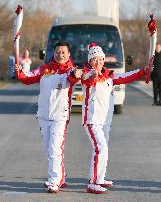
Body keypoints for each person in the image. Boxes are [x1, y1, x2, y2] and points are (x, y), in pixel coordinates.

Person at [81, 43, 149, 194]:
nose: (97, 62)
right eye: (94, 60)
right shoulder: (87, 75)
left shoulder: (109, 76)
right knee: (101, 148)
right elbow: (87, 77)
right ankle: (92, 183)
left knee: (103, 149)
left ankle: (100, 178)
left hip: (105, 121)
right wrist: (92, 74)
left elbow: (126, 77)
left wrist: (143, 71)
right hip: (92, 120)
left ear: (104, 60)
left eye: (100, 59)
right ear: (90, 61)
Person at [15, 41, 81, 194]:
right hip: (44, 115)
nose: (60, 55)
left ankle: (54, 181)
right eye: (58, 52)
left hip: (60, 116)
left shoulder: (70, 70)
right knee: (49, 149)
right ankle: (61, 178)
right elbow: (27, 78)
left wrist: (76, 75)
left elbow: (73, 77)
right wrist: (19, 72)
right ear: (54, 53)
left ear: (68, 54)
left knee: (54, 148)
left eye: (63, 52)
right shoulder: (45, 69)